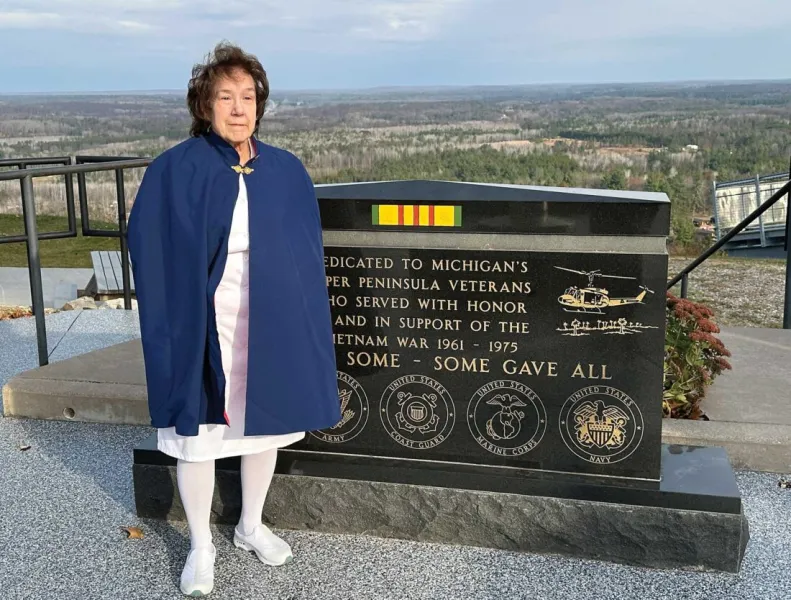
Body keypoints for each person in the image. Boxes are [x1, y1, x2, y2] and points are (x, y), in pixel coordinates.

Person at [126, 42, 342, 597]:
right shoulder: (175, 170)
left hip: (267, 318)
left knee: (262, 424)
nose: (239, 107)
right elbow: (150, 247)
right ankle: (200, 544)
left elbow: (305, 254)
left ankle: (249, 524)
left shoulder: (286, 170)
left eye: (248, 96)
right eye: (226, 97)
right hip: (204, 319)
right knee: (197, 435)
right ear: (205, 105)